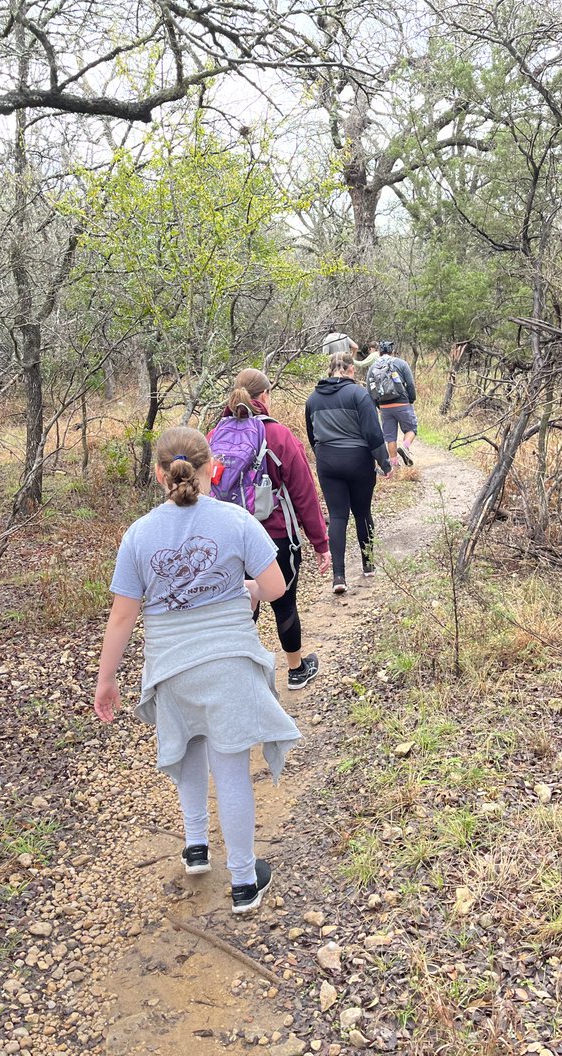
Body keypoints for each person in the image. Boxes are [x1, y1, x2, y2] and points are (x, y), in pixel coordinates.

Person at [94, 425, 300, 914]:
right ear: (212, 469)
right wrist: (245, 590)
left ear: (157, 473)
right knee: (230, 768)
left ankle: (195, 847)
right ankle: (246, 881)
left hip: (172, 669)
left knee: (186, 749)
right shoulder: (236, 520)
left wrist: (106, 680)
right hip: (227, 663)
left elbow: (122, 616)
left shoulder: (138, 535)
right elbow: (275, 587)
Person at [214, 369, 332, 690]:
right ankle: (296, 669)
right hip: (276, 536)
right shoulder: (279, 436)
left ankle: (239, 677)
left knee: (240, 605)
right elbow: (304, 493)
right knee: (284, 602)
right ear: (264, 396)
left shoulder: (215, 435)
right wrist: (321, 543)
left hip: (231, 539)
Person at [305, 353, 392, 594]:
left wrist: (325, 456)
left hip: (327, 462)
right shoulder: (358, 394)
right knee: (362, 512)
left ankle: (339, 576)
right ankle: (368, 565)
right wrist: (385, 464)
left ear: (330, 369)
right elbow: (373, 434)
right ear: (351, 370)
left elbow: (312, 436)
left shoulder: (313, 398)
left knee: (337, 515)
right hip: (358, 461)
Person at [371, 341, 419, 469]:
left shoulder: (373, 366)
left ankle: (394, 466)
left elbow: (370, 389)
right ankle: (405, 447)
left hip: (384, 406)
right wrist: (411, 399)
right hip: (402, 402)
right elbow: (410, 384)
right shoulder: (401, 363)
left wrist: (378, 405)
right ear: (392, 351)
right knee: (411, 429)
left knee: (390, 437)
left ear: (379, 352)